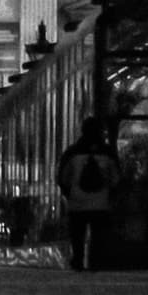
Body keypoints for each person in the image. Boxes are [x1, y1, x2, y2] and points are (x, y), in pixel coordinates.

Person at [57, 113, 123, 272]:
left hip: (77, 201)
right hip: (101, 201)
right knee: (99, 234)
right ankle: (96, 261)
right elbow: (116, 178)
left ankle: (78, 260)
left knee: (77, 234)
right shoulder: (107, 153)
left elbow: (63, 177)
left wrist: (69, 193)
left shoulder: (72, 152)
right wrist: (111, 195)